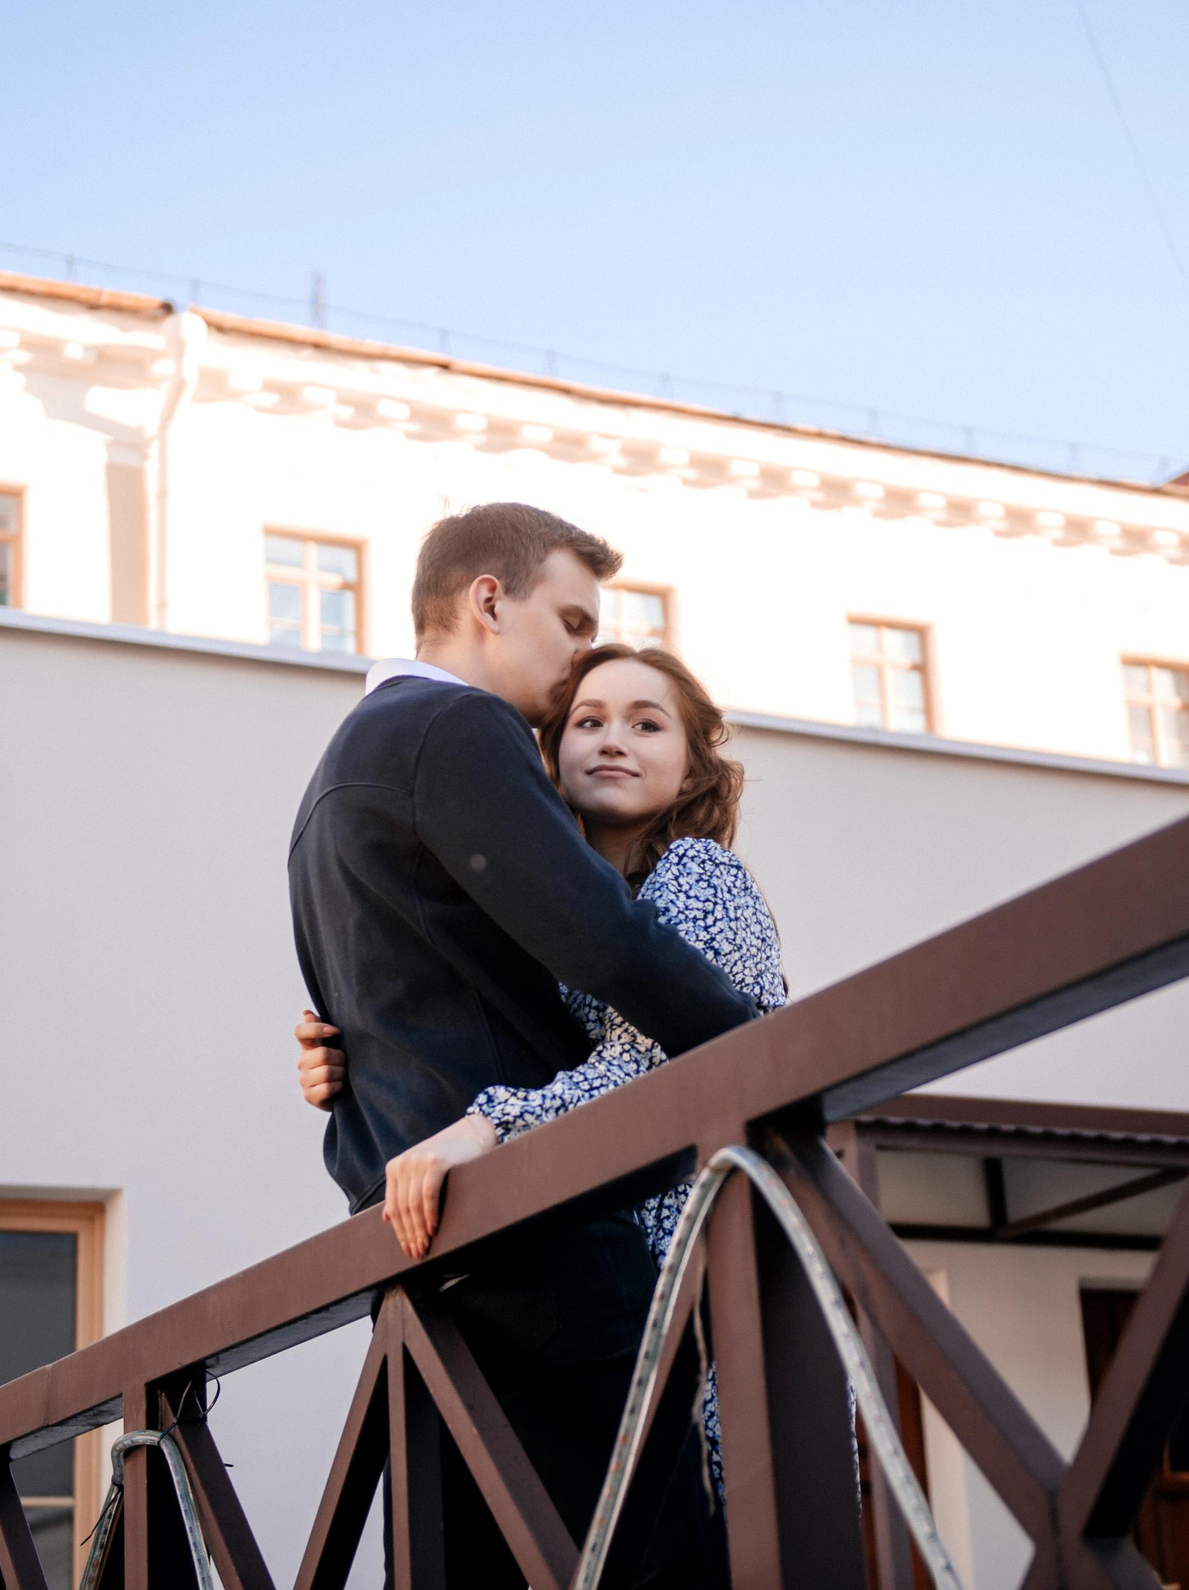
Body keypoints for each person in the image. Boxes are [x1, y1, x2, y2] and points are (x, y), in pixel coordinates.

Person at [287, 503, 757, 1590]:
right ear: (488, 602)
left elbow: (405, 982)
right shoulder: (456, 730)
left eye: (645, 722)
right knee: (647, 1557)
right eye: (573, 621)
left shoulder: (339, 771)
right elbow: (607, 945)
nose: (584, 654)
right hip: (535, 1228)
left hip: (423, 1242)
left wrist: (336, 1068)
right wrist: (764, 1048)